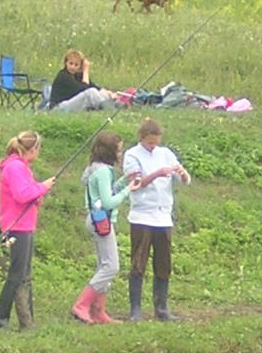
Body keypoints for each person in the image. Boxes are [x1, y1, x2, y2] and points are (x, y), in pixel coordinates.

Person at [122, 118, 191, 321]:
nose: (154, 146)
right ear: (142, 138)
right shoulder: (132, 155)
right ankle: (135, 309)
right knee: (138, 261)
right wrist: (157, 174)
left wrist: (182, 174)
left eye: (156, 142)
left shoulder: (166, 153)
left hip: (163, 216)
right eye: (150, 142)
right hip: (142, 214)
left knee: (163, 262)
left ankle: (161, 308)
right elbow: (136, 183)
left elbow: (184, 180)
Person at [72, 131, 139, 324]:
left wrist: (125, 180)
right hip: (101, 221)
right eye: (119, 149)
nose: (121, 153)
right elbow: (108, 202)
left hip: (97, 219)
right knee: (111, 266)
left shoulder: (96, 169)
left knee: (104, 265)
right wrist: (129, 190)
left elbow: (105, 192)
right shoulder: (103, 172)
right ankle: (81, 305)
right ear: (111, 151)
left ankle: (99, 311)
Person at [0, 130, 56, 329]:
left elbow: (27, 194)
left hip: (24, 225)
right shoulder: (16, 167)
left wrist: (38, 191)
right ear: (34, 148)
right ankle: (2, 320)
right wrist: (43, 186)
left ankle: (26, 321)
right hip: (16, 227)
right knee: (16, 274)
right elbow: (22, 195)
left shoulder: (21, 167)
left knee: (23, 274)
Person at [49, 49, 118, 112]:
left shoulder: (78, 75)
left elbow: (94, 86)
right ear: (66, 63)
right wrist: (86, 71)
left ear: (80, 66)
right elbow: (84, 89)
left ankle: (114, 106)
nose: (73, 67)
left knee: (102, 93)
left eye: (76, 65)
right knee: (91, 92)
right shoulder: (63, 76)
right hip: (59, 108)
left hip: (70, 103)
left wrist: (109, 93)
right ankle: (110, 110)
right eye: (71, 63)